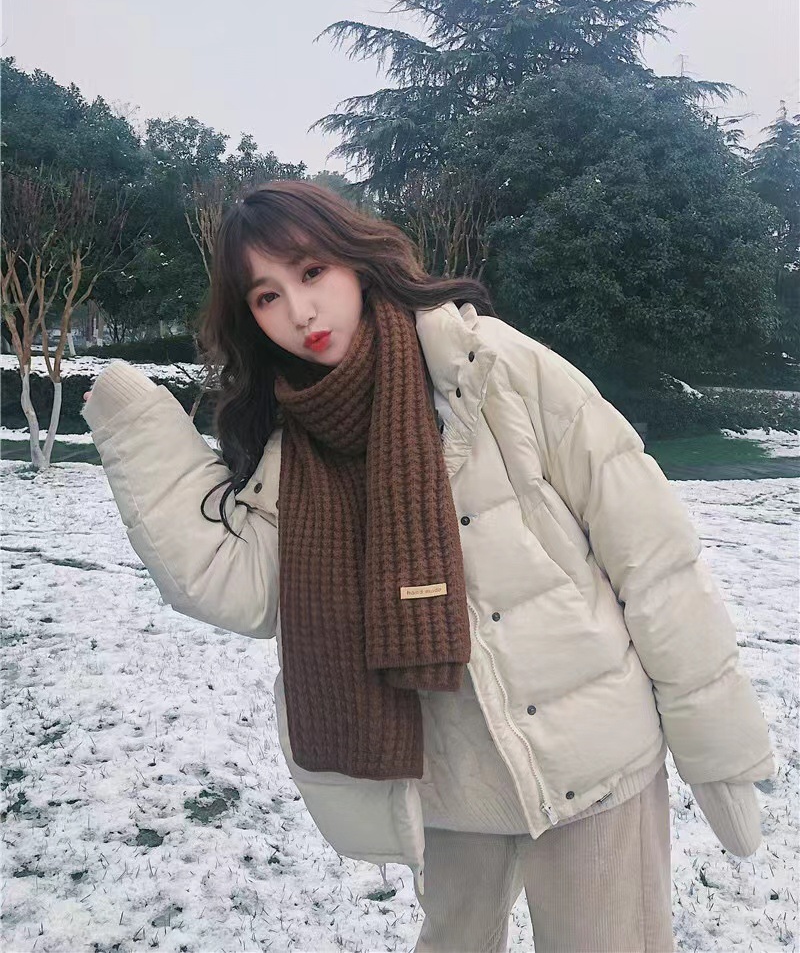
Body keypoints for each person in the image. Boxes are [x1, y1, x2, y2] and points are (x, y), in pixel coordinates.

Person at [83, 180, 774, 953]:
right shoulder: (295, 449)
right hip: (448, 781)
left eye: (311, 273)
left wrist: (715, 740)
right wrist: (132, 420)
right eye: (267, 296)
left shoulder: (492, 368)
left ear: (355, 261)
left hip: (596, 757)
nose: (300, 312)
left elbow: (652, 556)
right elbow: (236, 585)